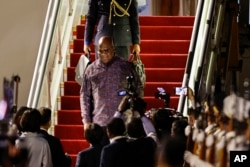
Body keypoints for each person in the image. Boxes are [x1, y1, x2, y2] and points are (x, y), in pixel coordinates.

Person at [80, 36, 143, 129]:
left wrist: (136, 114)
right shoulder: (91, 70)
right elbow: (85, 96)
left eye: (107, 50)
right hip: (99, 123)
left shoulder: (125, 67)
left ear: (114, 49)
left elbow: (138, 89)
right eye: (100, 51)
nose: (104, 54)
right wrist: (86, 121)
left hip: (122, 123)